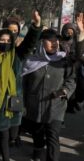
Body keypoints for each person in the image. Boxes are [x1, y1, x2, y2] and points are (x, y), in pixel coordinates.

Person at [0, 11, 42, 161]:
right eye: (2, 40)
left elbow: (30, 42)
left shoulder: (17, 55)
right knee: (4, 134)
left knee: (12, 135)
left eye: (8, 40)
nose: (5, 43)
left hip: (14, 102)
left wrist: (36, 25)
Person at [22, 28, 76, 161]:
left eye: (56, 40)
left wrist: (65, 90)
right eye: (50, 40)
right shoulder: (30, 61)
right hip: (35, 105)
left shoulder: (64, 60)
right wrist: (23, 103)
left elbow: (71, 80)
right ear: (41, 42)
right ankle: (38, 149)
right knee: (37, 132)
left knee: (53, 136)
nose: (55, 43)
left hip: (56, 105)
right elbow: (23, 84)